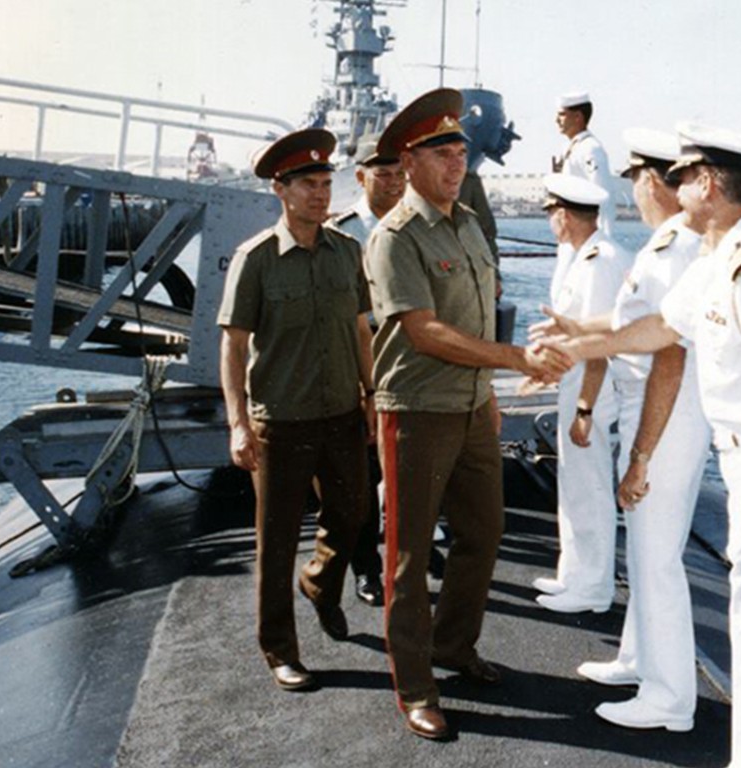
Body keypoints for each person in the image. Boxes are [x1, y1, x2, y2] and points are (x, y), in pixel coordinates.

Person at [546, 122, 741, 768]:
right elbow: (655, 329)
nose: (671, 188)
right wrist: (577, 345)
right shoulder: (717, 259)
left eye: (681, 177)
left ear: (707, 183)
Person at [364, 88, 571, 741]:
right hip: (418, 410)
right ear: (410, 161)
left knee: (483, 534)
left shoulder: (470, 225)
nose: (457, 163)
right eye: (442, 153)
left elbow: (478, 314)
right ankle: (416, 686)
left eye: (460, 151)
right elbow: (424, 332)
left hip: (472, 404)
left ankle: (455, 645)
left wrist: (493, 379)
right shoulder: (396, 237)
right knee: (408, 552)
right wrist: (514, 358)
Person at [535, 129, 711, 728]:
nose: (630, 188)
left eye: (636, 176)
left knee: (656, 556)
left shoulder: (678, 249)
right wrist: (575, 330)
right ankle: (639, 658)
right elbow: (629, 319)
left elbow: (670, 352)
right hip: (651, 405)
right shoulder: (665, 246)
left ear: (651, 180)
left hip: (664, 413)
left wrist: (641, 454)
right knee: (645, 550)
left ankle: (669, 700)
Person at [217, 128, 372, 693]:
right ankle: (279, 649)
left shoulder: (347, 252)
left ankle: (322, 584)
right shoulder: (255, 259)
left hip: (342, 415)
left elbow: (361, 330)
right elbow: (233, 345)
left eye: (326, 183)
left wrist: (372, 394)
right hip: (279, 422)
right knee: (276, 539)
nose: (320, 194)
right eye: (308, 184)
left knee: (352, 515)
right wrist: (238, 424)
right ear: (281, 190)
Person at [531, 173, 632, 614]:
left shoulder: (601, 261)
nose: (551, 221)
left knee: (588, 485)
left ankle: (593, 588)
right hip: (574, 382)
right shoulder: (579, 256)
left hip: (595, 386)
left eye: (552, 212)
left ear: (564, 215)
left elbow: (600, 346)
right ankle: (572, 573)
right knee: (572, 482)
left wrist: (586, 409)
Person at [330, 134, 407, 607]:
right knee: (363, 471)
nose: (395, 183)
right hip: (366, 353)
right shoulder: (343, 234)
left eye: (401, 174)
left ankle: (407, 553)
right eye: (384, 174)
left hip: (411, 355)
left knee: (408, 467)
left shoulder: (415, 226)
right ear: (361, 176)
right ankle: (367, 567)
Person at [552, 91, 616, 236]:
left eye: (562, 114)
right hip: (570, 232)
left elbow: (603, 196)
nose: (556, 120)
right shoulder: (569, 147)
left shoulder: (591, 149)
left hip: (587, 235)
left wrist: (603, 238)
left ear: (578, 117)